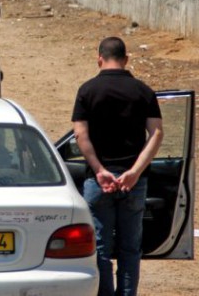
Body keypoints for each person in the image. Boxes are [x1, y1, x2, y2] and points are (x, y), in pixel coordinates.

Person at [71, 36, 163, 296]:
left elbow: (80, 135)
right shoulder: (143, 91)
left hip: (98, 182)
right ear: (126, 59)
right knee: (130, 249)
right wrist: (134, 172)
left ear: (99, 58)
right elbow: (156, 133)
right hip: (133, 183)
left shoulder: (87, 90)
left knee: (99, 248)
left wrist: (99, 170)